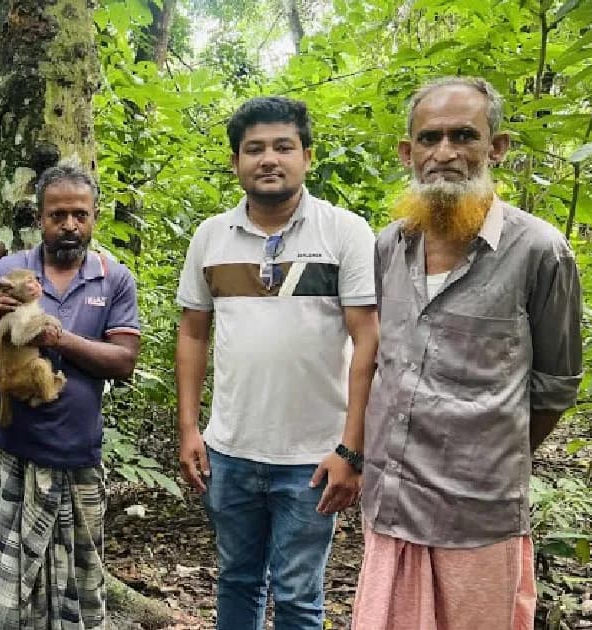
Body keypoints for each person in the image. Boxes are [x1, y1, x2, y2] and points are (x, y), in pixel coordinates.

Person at [352, 77, 583, 630]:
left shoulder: (539, 251)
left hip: (477, 516)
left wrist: (486, 455)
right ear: (408, 153)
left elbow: (555, 388)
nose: (446, 153)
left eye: (464, 136)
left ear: (495, 147)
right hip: (390, 504)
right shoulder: (390, 245)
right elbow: (387, 359)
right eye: (430, 138)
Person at [174, 96, 379, 630]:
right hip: (230, 450)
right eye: (254, 149)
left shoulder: (345, 232)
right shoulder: (210, 237)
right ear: (236, 161)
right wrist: (190, 428)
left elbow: (368, 341)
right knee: (237, 579)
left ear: (307, 157)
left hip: (313, 458)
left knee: (298, 596)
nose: (269, 159)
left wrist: (351, 448)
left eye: (283, 147)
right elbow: (193, 332)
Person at [0, 164, 141, 630]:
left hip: (79, 454)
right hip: (17, 453)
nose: (69, 225)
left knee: (79, 583)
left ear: (94, 217)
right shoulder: (8, 272)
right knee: (13, 585)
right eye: (57, 214)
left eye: (79, 215)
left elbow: (123, 362)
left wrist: (57, 339)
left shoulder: (113, 278)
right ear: (40, 218)